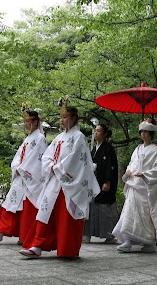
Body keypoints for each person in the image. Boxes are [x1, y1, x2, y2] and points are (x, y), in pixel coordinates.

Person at [19, 104, 100, 259]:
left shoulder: (79, 137)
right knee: (45, 211)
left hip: (69, 182)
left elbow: (76, 160)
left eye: (65, 117)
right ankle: (38, 245)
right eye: (61, 117)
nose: (62, 120)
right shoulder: (59, 137)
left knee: (65, 215)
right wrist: (51, 165)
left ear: (74, 118)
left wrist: (58, 168)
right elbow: (47, 155)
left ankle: (66, 248)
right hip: (56, 179)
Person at [0, 107, 46, 245]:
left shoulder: (40, 138)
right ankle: (0, 232)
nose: (26, 124)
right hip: (22, 175)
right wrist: (17, 166)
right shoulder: (28, 138)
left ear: (36, 122)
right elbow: (19, 156)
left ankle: (23, 236)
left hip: (29, 176)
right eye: (25, 121)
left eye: (29, 121)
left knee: (25, 208)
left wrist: (23, 169)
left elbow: (37, 158)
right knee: (11, 203)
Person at [112, 118, 157, 253]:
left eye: (146, 132)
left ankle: (148, 242)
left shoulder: (154, 150)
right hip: (134, 185)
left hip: (145, 187)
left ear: (151, 134)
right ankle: (128, 240)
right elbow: (132, 163)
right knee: (130, 212)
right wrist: (128, 172)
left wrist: (145, 174)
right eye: (142, 131)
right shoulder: (137, 148)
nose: (143, 134)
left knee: (144, 214)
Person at [83, 123, 119, 244]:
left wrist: (108, 181)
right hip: (94, 183)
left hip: (103, 182)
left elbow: (111, 166)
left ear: (104, 134)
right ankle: (87, 233)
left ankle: (109, 234)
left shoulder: (109, 149)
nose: (96, 133)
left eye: (98, 131)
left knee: (105, 209)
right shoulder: (93, 149)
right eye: (95, 131)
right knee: (91, 208)